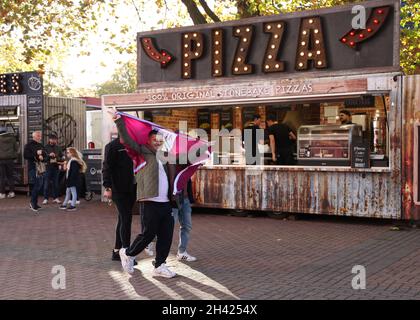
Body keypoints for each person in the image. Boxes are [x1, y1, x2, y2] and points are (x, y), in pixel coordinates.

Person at [112, 110, 177, 278]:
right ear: (148, 140)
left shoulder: (164, 156)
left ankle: (160, 265)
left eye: (160, 140)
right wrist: (119, 121)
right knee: (148, 234)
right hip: (149, 200)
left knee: (166, 235)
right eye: (154, 139)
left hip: (165, 202)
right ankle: (128, 253)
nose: (157, 142)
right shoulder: (141, 152)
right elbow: (126, 140)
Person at [102, 136, 137, 262]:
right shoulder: (112, 146)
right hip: (118, 188)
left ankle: (117, 251)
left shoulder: (133, 144)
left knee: (123, 219)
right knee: (126, 219)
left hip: (132, 187)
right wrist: (107, 187)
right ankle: (127, 253)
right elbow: (106, 167)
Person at [173, 178, 197, 262]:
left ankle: (181, 252)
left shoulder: (185, 165)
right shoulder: (171, 164)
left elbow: (187, 177)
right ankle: (160, 258)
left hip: (185, 198)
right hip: (173, 197)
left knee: (187, 225)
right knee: (168, 228)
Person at [24, 131, 47, 212]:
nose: (40, 137)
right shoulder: (29, 145)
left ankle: (35, 203)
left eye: (40, 136)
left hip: (41, 168)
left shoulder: (41, 145)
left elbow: (45, 154)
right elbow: (25, 155)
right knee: (36, 185)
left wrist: (43, 156)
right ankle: (32, 203)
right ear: (34, 136)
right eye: (38, 136)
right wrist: (36, 154)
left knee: (39, 185)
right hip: (33, 168)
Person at [59, 147, 87, 211]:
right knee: (68, 192)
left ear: (72, 153)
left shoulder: (73, 161)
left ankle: (72, 205)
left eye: (68, 153)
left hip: (72, 180)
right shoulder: (73, 161)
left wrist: (69, 180)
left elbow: (73, 172)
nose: (67, 154)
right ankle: (65, 204)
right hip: (71, 179)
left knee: (73, 192)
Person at [42, 134, 63, 204]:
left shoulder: (58, 148)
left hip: (56, 167)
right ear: (49, 140)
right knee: (46, 183)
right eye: (52, 139)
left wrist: (57, 157)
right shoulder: (45, 147)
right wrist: (49, 156)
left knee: (56, 184)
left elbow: (62, 158)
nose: (54, 140)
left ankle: (55, 198)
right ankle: (45, 198)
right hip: (48, 167)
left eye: (55, 139)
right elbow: (43, 159)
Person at [0, 126, 18, 199]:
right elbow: (16, 148)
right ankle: (12, 192)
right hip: (10, 160)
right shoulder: (13, 139)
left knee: (2, 177)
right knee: (10, 176)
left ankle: (2, 193)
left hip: (1, 160)